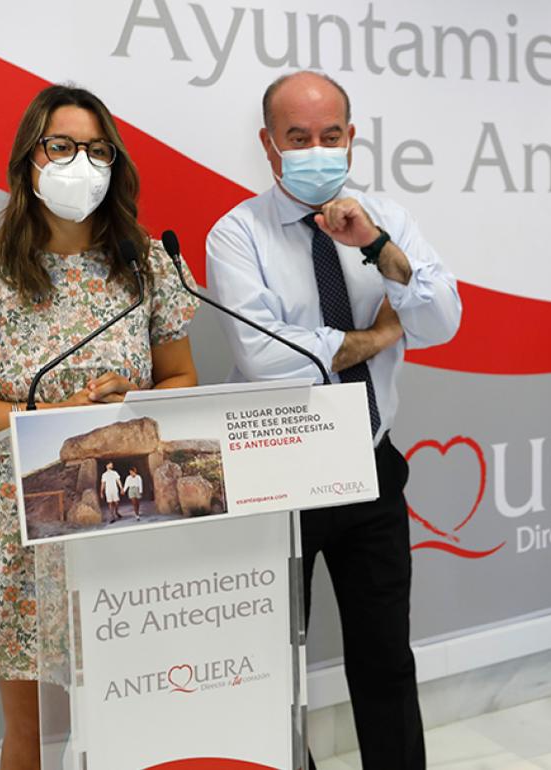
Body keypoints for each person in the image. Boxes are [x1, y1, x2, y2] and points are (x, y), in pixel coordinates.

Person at [0, 84, 200, 770]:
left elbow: (182, 381)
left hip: (126, 508)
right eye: (63, 146)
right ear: (29, 159)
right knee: (30, 729)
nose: (82, 164)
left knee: (129, 705)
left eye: (98, 151)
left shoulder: (147, 265)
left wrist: (134, 398)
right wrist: (47, 421)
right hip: (19, 510)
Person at [206, 70, 461, 770]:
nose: (315, 150)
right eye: (297, 138)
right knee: (274, 670)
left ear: (351, 138)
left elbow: (441, 320)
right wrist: (377, 336)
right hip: (278, 471)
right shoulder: (238, 234)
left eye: (329, 135)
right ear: (268, 145)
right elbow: (266, 358)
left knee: (386, 661)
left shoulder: (387, 219)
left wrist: (377, 247)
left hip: (371, 463)